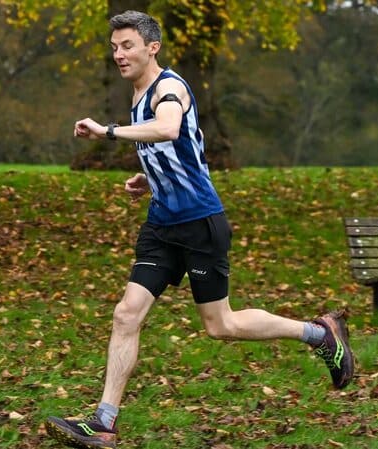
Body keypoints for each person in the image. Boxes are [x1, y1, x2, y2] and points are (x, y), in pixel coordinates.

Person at [45, 10, 354, 449]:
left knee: (220, 325)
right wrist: (152, 178)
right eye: (114, 47)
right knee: (126, 313)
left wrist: (108, 131)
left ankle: (319, 334)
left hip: (199, 224)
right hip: (161, 224)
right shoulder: (138, 94)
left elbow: (170, 127)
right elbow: (191, 144)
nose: (119, 54)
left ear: (152, 47)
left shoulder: (168, 87)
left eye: (128, 45)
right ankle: (104, 421)